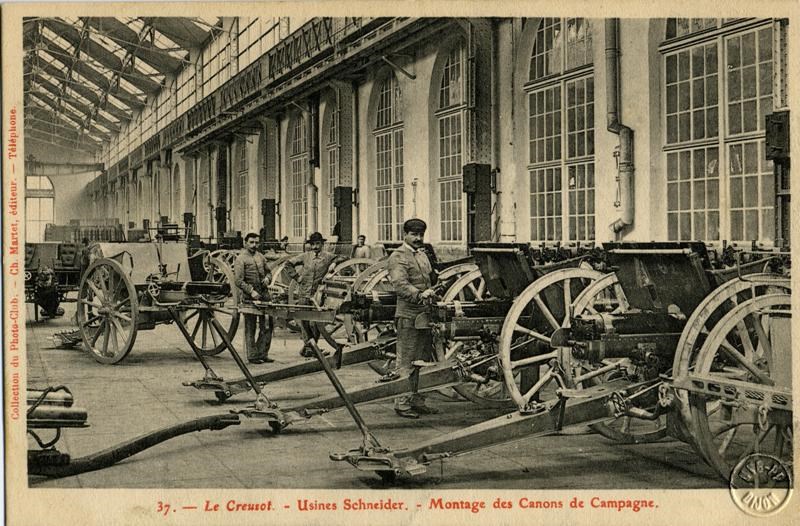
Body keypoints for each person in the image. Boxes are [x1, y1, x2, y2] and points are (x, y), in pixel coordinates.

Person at [386, 218, 439, 419]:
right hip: (408, 315)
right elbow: (399, 284)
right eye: (414, 234)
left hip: (425, 316)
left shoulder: (423, 255)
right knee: (407, 360)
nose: (418, 238)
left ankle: (418, 401)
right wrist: (419, 294)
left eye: (421, 235)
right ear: (405, 235)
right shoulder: (399, 256)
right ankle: (402, 404)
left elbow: (430, 277)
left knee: (423, 360)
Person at [286, 231, 346, 357]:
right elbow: (288, 264)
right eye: (313, 244)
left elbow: (343, 257)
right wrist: (297, 277)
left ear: (322, 244)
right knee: (304, 320)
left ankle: (311, 347)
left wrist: (334, 263)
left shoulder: (328, 256)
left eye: (318, 244)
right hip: (304, 293)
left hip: (318, 295)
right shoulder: (305, 256)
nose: (315, 247)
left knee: (316, 322)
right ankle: (309, 347)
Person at [233, 232, 274, 364]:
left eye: (256, 242)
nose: (254, 245)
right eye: (251, 242)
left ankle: (263, 353)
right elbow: (238, 281)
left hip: (264, 294)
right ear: (245, 243)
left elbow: (269, 271)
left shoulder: (260, 256)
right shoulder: (240, 259)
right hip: (249, 296)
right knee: (250, 326)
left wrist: (268, 278)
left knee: (267, 324)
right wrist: (251, 291)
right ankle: (252, 355)